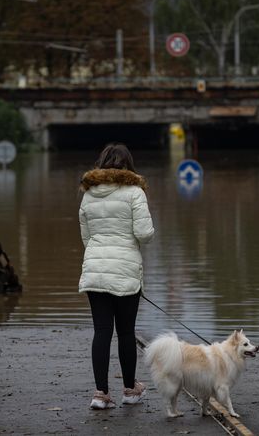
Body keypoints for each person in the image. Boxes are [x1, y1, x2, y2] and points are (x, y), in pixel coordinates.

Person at [78, 143, 155, 410]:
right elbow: (144, 233)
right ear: (128, 165)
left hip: (95, 269)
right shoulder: (135, 192)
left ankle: (100, 394)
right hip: (125, 269)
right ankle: (131, 390)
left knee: (101, 331)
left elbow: (86, 238)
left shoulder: (88, 195)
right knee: (125, 332)